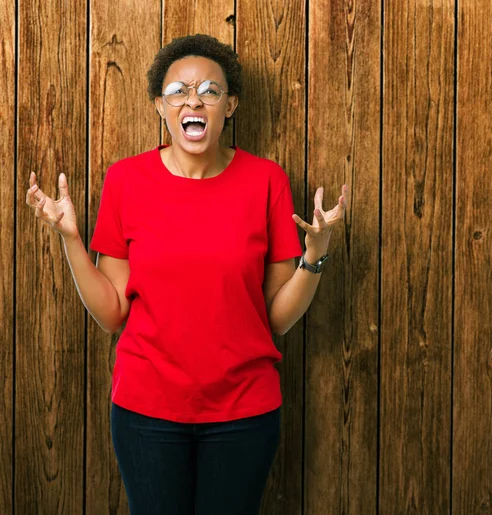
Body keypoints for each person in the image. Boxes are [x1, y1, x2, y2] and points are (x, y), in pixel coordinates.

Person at [25, 33, 349, 515]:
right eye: (177, 90)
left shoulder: (267, 181)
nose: (193, 99)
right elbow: (112, 313)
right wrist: (71, 238)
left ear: (230, 105)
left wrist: (315, 254)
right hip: (146, 411)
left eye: (210, 91)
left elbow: (276, 318)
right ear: (160, 105)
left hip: (244, 411)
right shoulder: (126, 180)